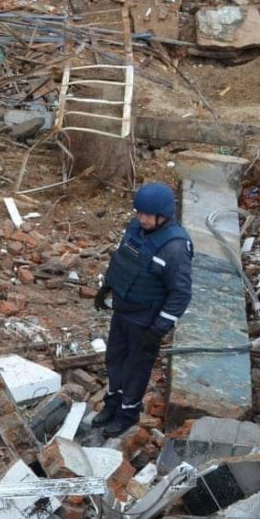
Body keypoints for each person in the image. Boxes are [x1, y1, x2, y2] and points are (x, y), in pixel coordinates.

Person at [92, 183, 193, 437]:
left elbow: (180, 294)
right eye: (139, 213)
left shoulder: (175, 247)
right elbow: (124, 262)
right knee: (114, 360)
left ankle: (127, 414)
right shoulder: (136, 228)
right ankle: (112, 404)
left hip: (145, 320)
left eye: (147, 215)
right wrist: (108, 288)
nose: (142, 218)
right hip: (123, 311)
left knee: (135, 369)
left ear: (163, 215)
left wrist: (158, 328)